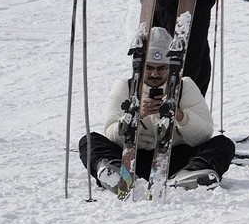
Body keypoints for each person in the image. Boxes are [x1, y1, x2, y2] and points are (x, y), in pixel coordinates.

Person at [78, 27, 235, 193]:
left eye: (162, 68)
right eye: (149, 67)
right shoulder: (125, 86)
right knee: (89, 140)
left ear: (170, 67)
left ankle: (190, 175)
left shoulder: (185, 86)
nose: (154, 74)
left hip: (174, 158)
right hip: (132, 158)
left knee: (223, 144)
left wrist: (179, 116)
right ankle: (117, 175)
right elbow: (111, 134)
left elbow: (203, 134)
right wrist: (136, 116)